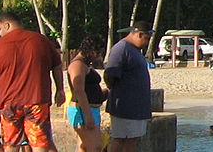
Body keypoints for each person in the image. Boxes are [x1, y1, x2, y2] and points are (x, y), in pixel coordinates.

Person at [0, 12, 67, 152]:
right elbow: (57, 66)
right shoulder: (41, 41)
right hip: (37, 101)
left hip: (9, 103)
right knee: (39, 143)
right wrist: (60, 89)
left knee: (11, 144)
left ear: (7, 25)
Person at [104, 21, 155, 152]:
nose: (148, 42)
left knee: (131, 140)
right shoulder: (121, 48)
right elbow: (109, 75)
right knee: (120, 139)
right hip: (125, 108)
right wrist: (120, 94)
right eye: (146, 38)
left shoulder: (135, 50)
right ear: (139, 34)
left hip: (135, 109)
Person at [66, 45, 107, 152]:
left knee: (84, 147)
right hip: (82, 111)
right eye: (97, 53)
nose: (97, 56)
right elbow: (79, 91)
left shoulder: (84, 65)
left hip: (89, 109)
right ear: (90, 51)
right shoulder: (77, 65)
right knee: (94, 146)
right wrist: (88, 116)